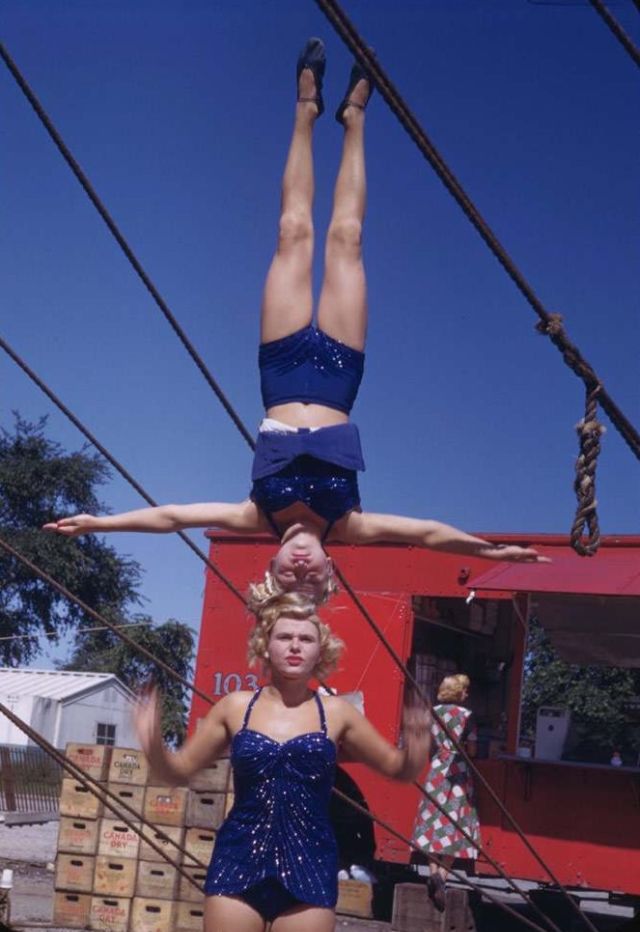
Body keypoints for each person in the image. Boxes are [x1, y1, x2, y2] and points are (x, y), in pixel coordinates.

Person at [43, 39, 549, 605]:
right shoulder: (350, 524)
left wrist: (100, 523)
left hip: (281, 372)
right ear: (330, 568)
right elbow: (429, 533)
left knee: (292, 232)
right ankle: (355, 119)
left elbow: (174, 517)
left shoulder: (255, 514)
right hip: (338, 374)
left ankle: (305, 111)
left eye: (289, 575)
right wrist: (489, 552)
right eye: (312, 578)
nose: (301, 567)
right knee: (347, 239)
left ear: (273, 563)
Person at [135, 591, 432, 932]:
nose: (295, 646)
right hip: (238, 858)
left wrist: (416, 749)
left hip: (310, 864)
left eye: (306, 639)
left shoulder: (337, 713)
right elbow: (179, 770)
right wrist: (152, 744)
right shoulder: (235, 707)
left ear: (320, 650)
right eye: (284, 637)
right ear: (265, 646)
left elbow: (396, 769)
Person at [411, 673, 480, 912]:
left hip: (437, 771)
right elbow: (472, 750)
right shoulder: (467, 716)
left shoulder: (432, 713)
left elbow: (428, 744)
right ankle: (442, 876)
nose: (467, 693)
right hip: (458, 772)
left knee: (433, 823)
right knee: (455, 826)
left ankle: (433, 873)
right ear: (458, 692)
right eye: (465, 689)